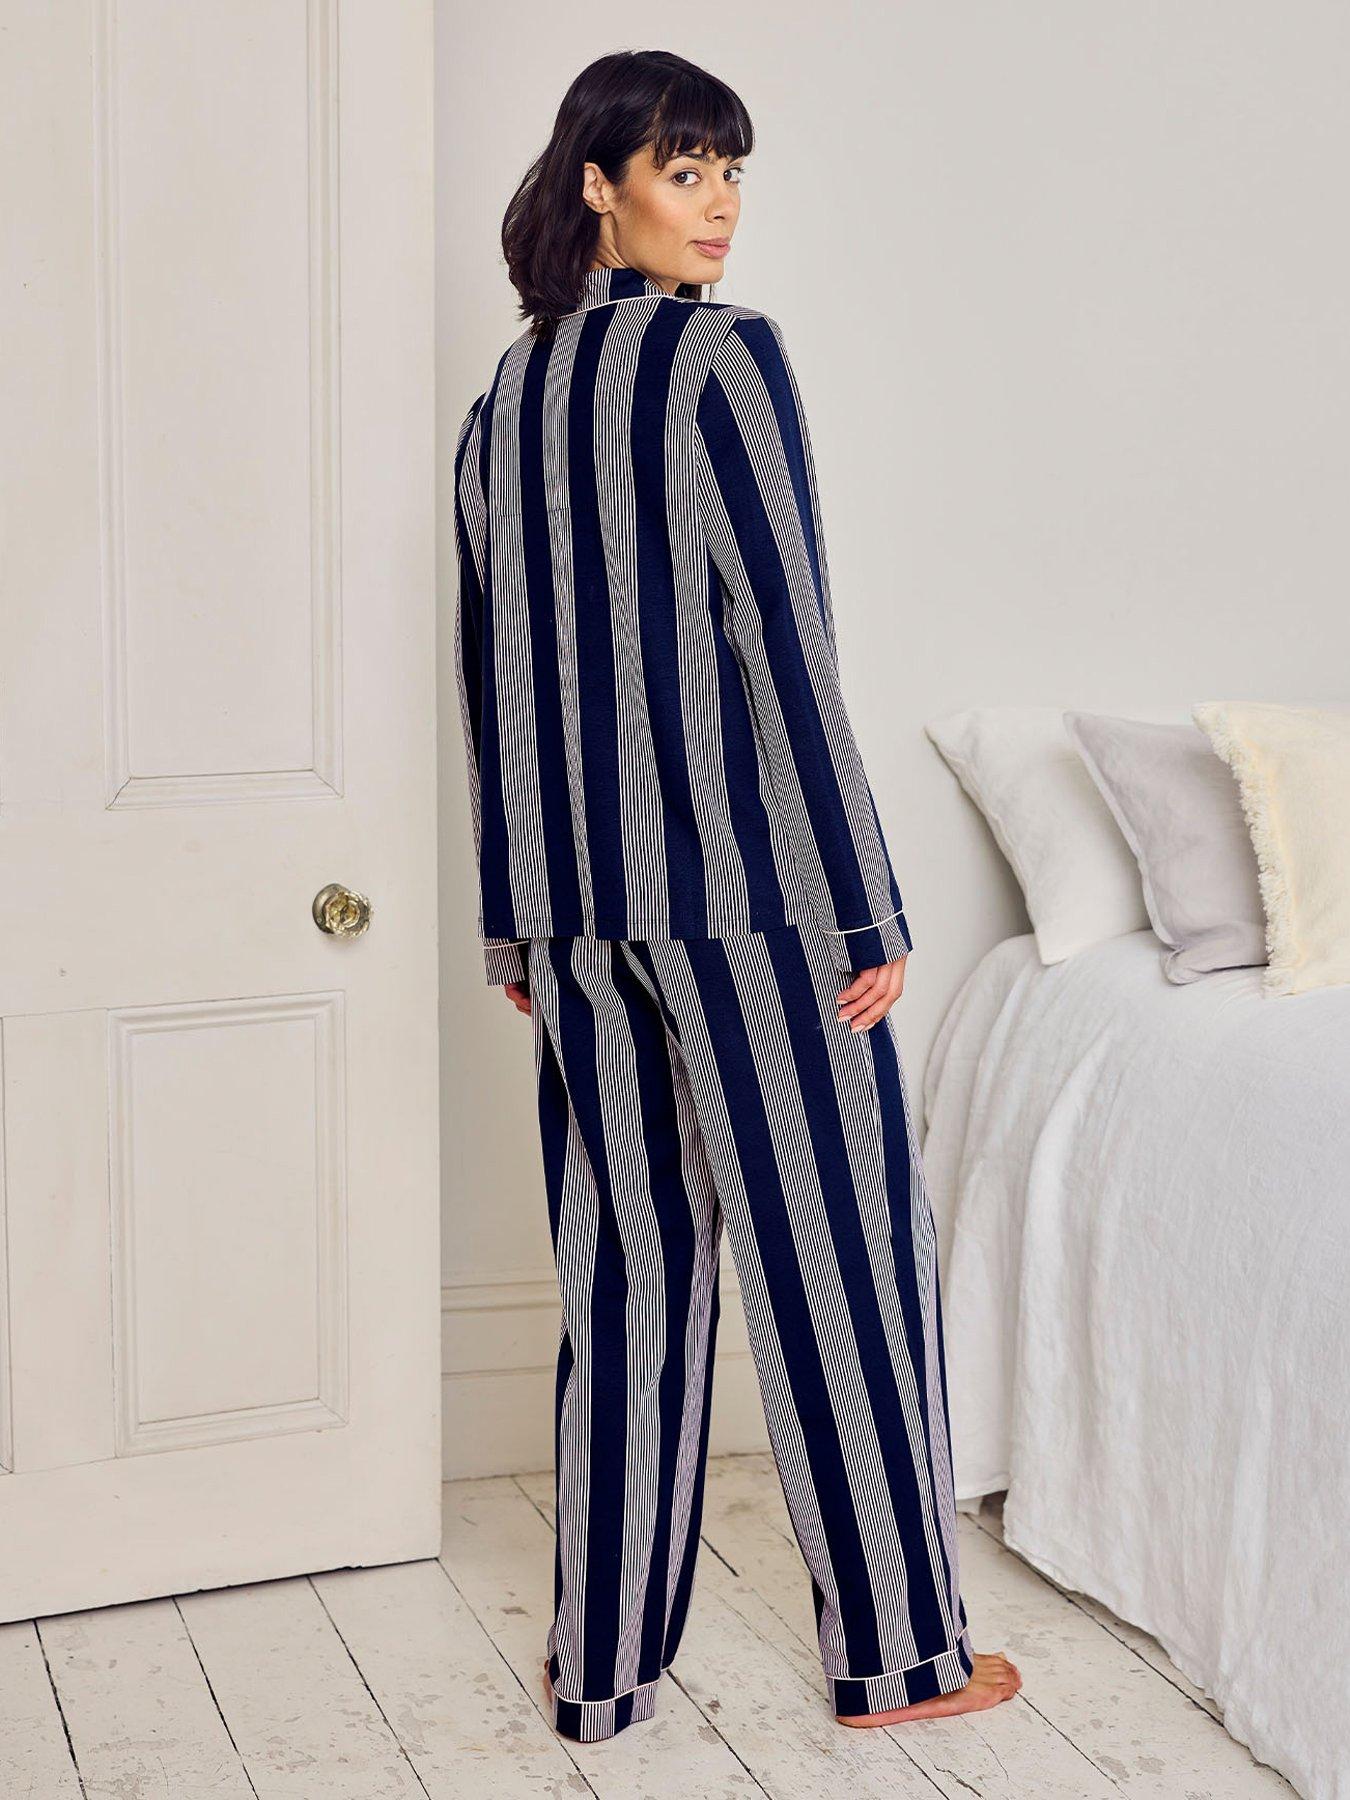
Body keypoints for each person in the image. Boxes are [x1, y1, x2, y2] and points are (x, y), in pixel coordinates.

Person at [453, 46, 1021, 1744]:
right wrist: (863, 906)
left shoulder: (503, 398)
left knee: (623, 1279)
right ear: (598, 184)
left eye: (729, 174)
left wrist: (514, 919)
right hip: (750, 908)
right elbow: (785, 634)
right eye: (684, 170)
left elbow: (492, 673)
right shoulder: (720, 359)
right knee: (838, 1261)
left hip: (576, 917)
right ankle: (903, 1661)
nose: (718, 208)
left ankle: (600, 1670)